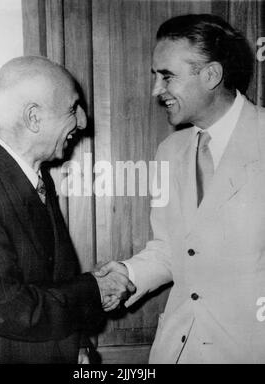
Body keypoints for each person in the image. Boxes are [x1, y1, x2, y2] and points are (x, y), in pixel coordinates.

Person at [96, 14, 265, 363]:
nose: (157, 90)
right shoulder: (168, 152)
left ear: (211, 75)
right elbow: (170, 250)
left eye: (167, 76)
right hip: (179, 349)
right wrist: (128, 274)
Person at [0, 56, 135, 364]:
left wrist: (79, 343)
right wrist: (94, 290)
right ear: (34, 118)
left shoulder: (37, 179)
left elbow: (57, 280)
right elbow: (11, 310)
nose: (83, 121)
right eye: (72, 108)